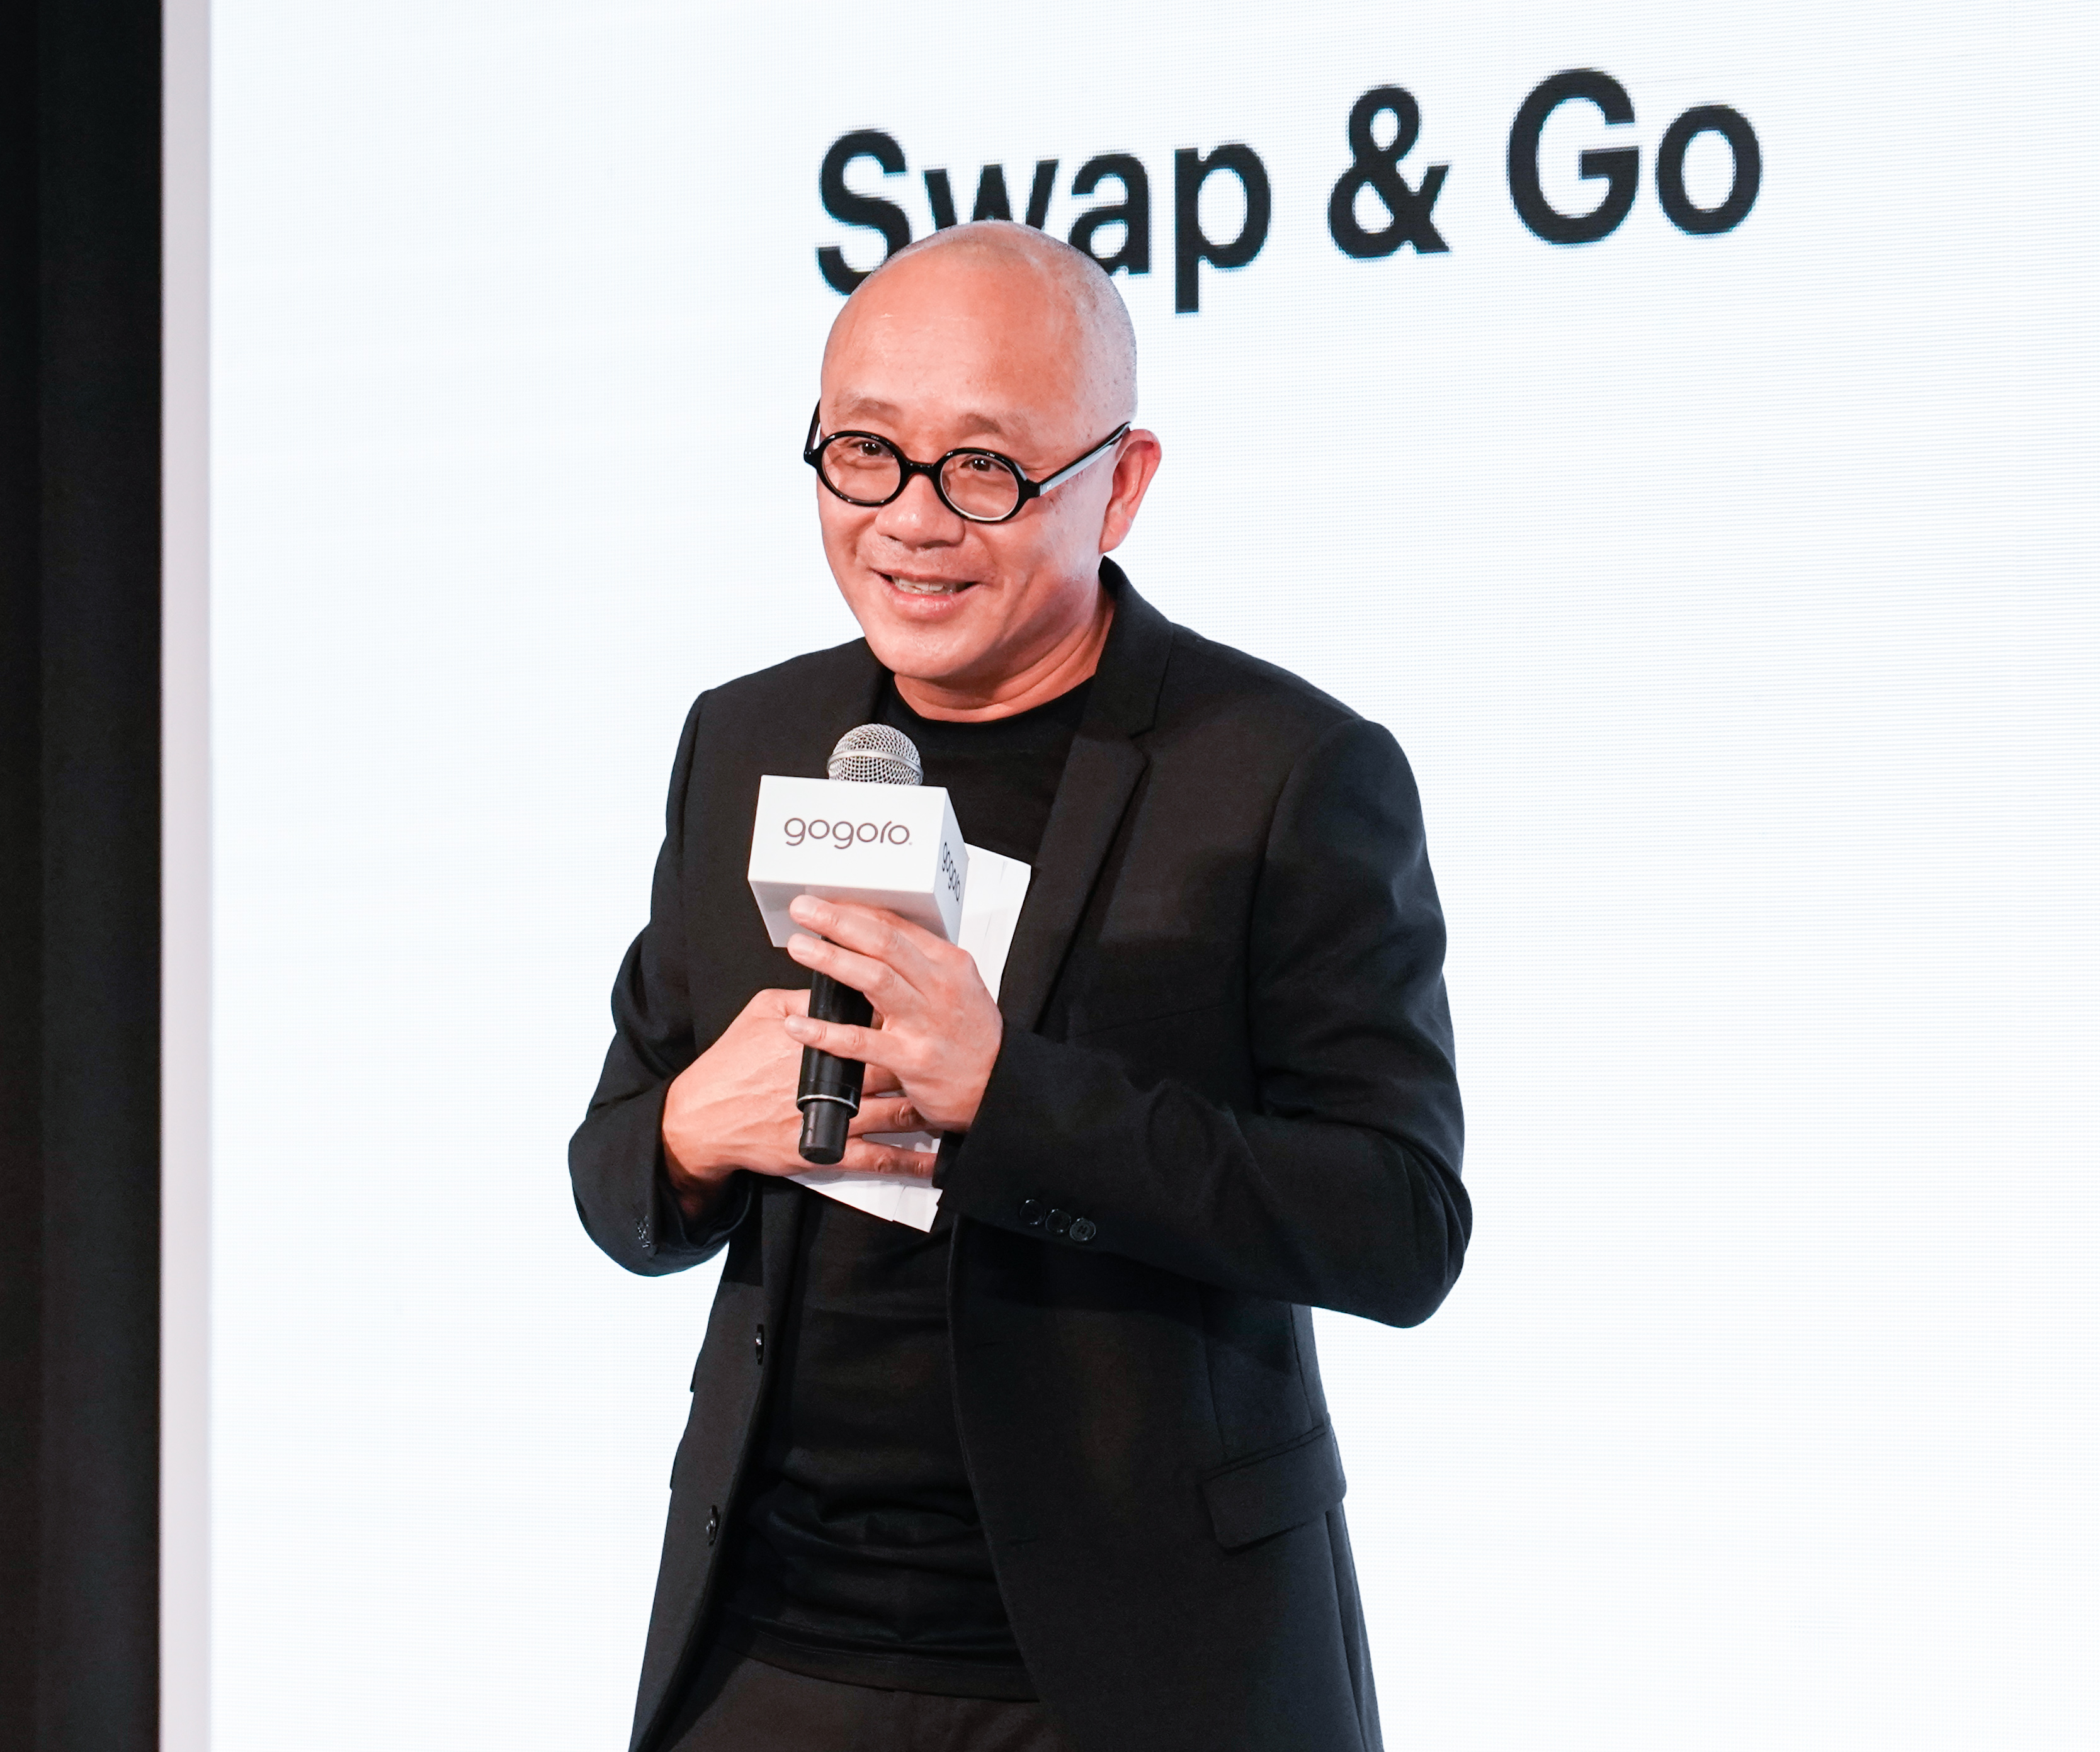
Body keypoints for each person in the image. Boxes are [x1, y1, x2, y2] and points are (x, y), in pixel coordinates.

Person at [568, 222, 1468, 1752]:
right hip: (773, 1650)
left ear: (1122, 482)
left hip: (1132, 1674)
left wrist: (1013, 1099)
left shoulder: (1284, 772)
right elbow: (616, 1168)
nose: (909, 519)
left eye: (982, 467)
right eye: (863, 452)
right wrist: (687, 1135)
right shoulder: (747, 736)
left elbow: (1401, 1223)